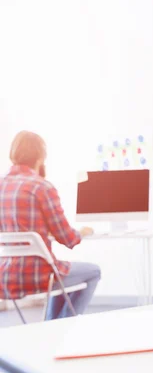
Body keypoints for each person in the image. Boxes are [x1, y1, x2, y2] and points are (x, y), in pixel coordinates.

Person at [0, 130, 101, 320]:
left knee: (59, 272)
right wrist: (81, 232)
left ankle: (50, 327)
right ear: (41, 157)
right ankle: (62, 327)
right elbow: (68, 238)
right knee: (93, 271)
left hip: (5, 277)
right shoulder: (41, 187)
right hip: (38, 276)